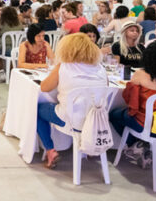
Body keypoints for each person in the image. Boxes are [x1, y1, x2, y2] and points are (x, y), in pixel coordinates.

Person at [36, 34, 108, 169]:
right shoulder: (101, 69)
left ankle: (50, 150)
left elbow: (44, 87)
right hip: (96, 120)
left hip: (70, 120)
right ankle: (90, 150)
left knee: (37, 110)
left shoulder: (63, 67)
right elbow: (105, 90)